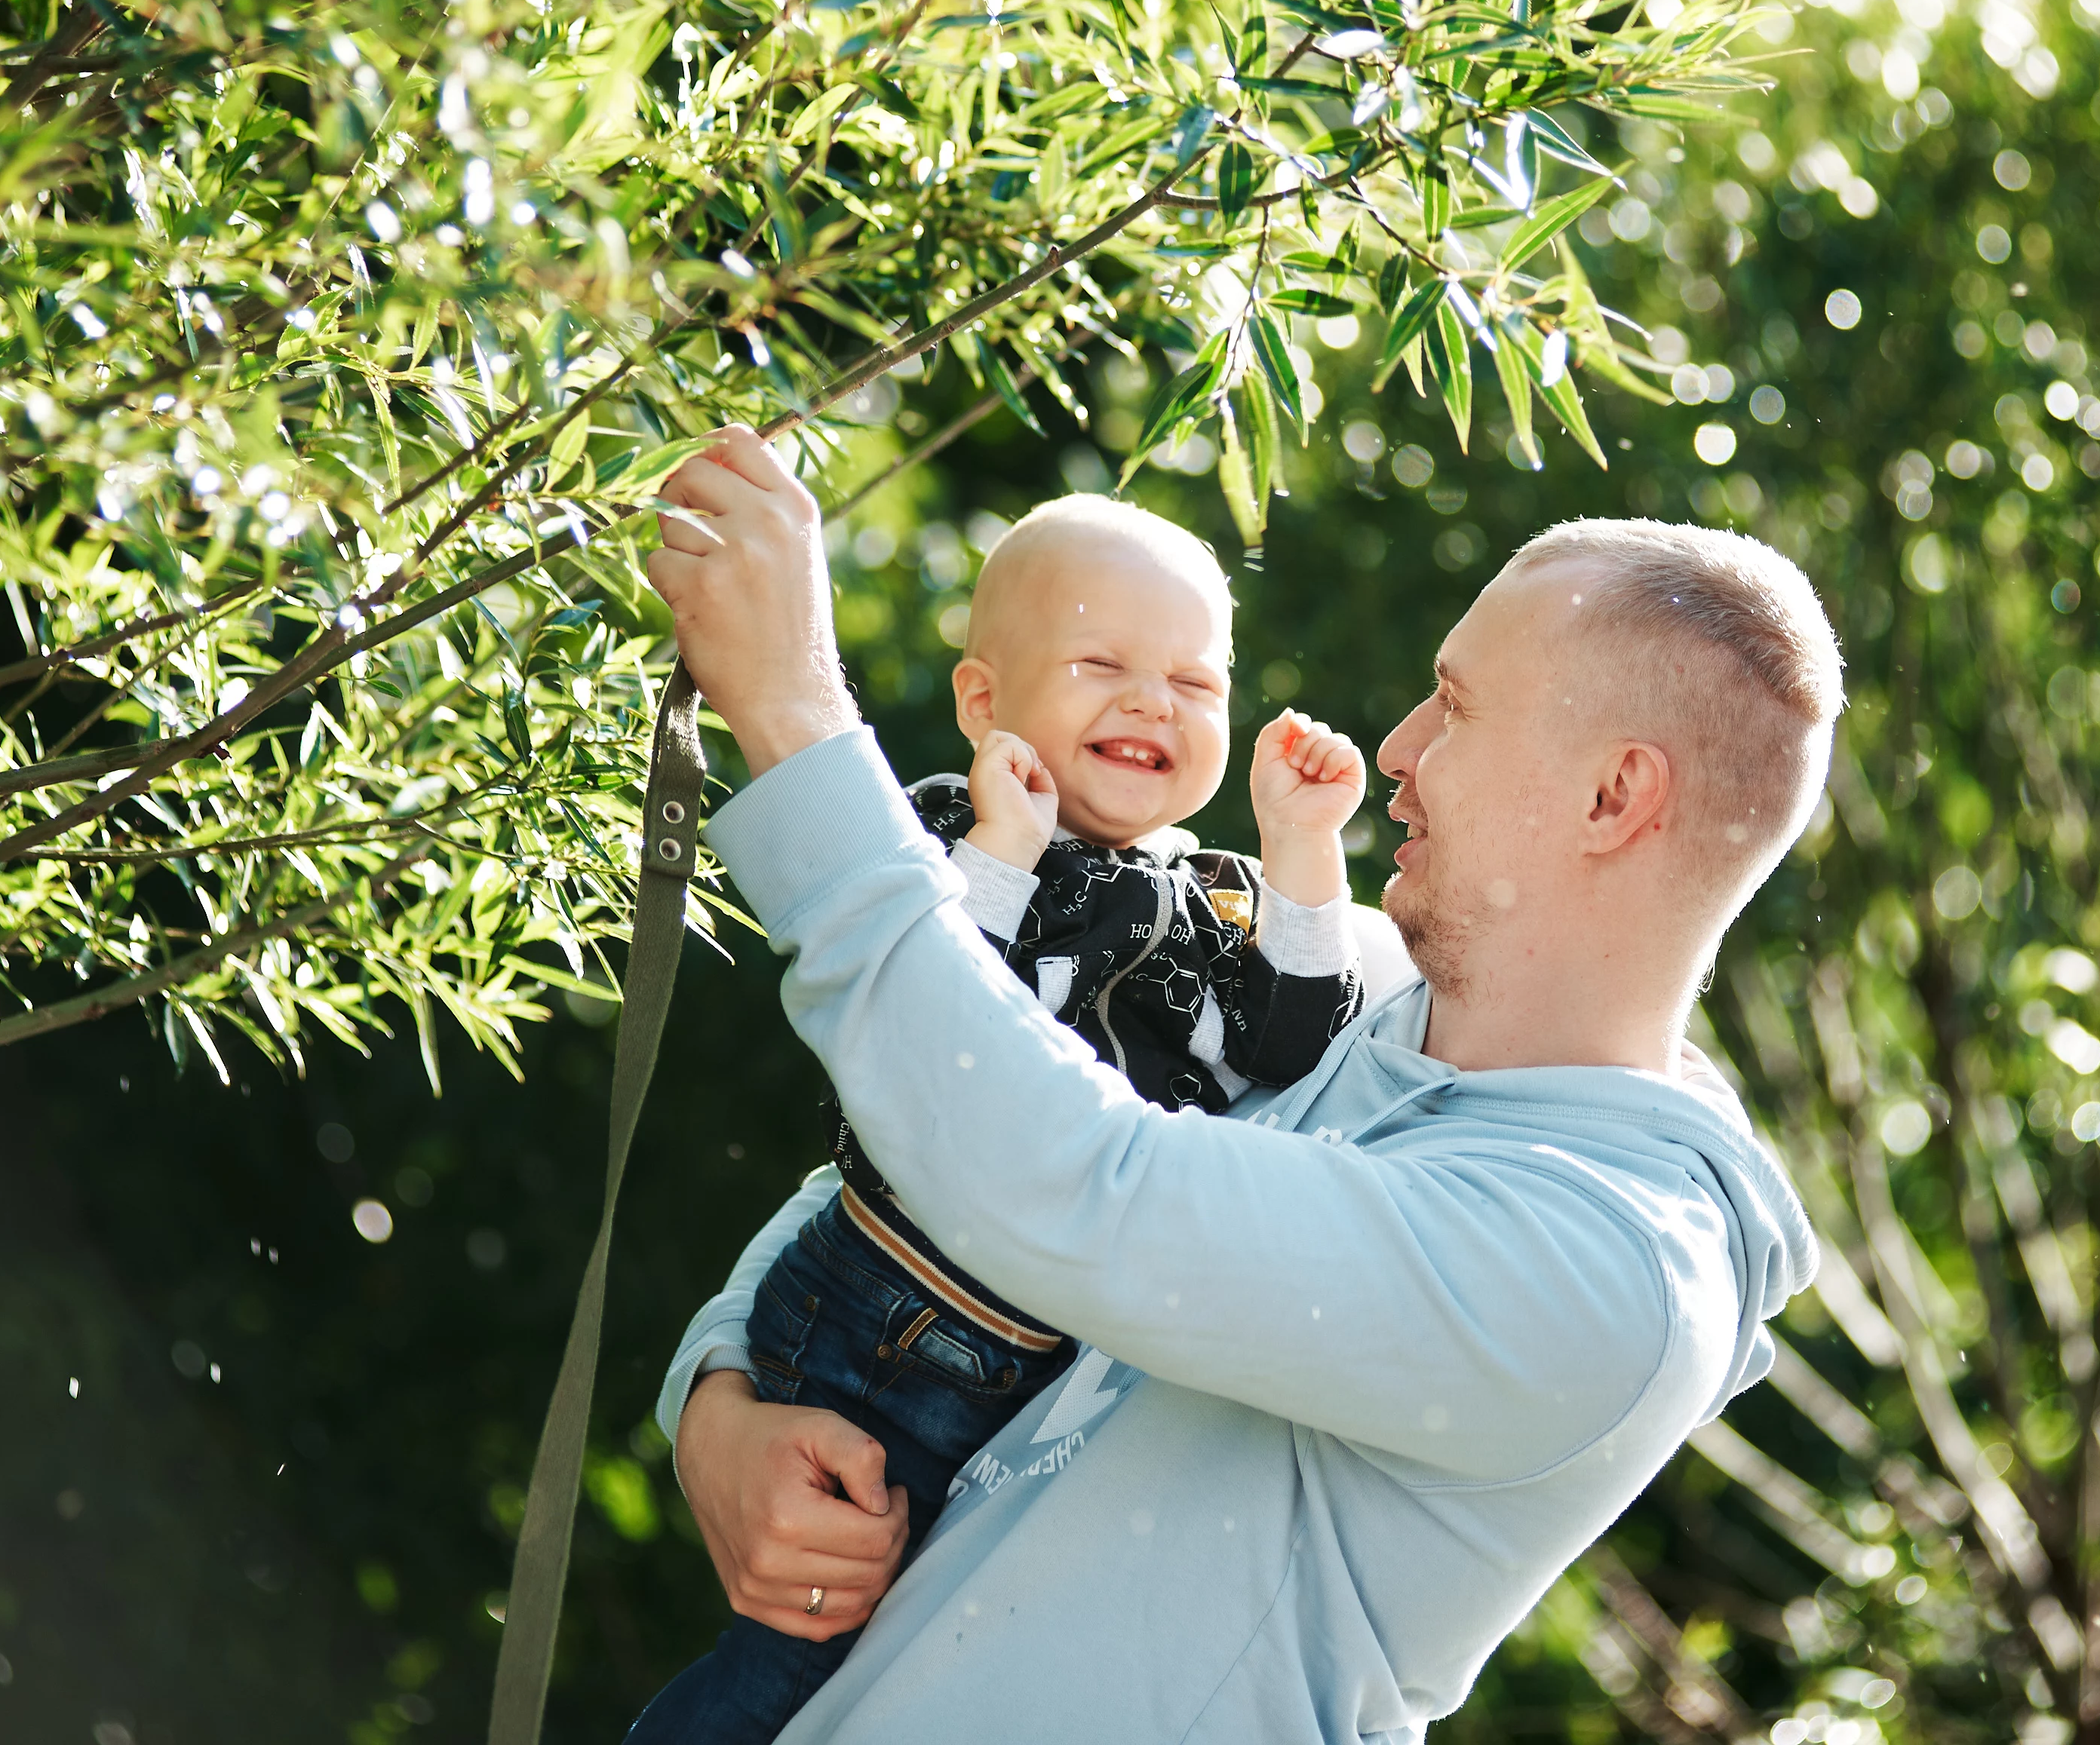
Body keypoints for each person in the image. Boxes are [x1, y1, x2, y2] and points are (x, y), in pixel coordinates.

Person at [637, 426, 1839, 1745]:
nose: (1394, 744)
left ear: (1615, 793)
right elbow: (914, 1144)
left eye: (1457, 703)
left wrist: (798, 712)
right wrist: (722, 1410)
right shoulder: (1342, 995)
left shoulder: (1603, 1274)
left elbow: (1076, 1188)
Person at [628, 495, 1370, 1743]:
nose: (1152, 703)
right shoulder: (949, 837)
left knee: (908, 1664)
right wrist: (1002, 853)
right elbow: (917, 1036)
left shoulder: (1221, 906)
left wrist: (1305, 852)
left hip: (1038, 1366)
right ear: (984, 702)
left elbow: (1296, 1039)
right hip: (892, 1318)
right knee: (802, 1652)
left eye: (1194, 680)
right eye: (1102, 666)